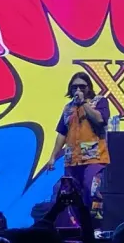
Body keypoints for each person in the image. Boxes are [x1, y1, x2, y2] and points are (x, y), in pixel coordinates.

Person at [47, 72, 110, 224]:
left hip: (94, 157)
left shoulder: (99, 101)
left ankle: (95, 224)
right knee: (72, 193)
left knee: (91, 188)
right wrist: (53, 156)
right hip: (72, 159)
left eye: (82, 86)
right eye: (75, 87)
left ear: (89, 87)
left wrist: (83, 104)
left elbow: (100, 120)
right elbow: (62, 133)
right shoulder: (68, 108)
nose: (78, 90)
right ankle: (80, 225)